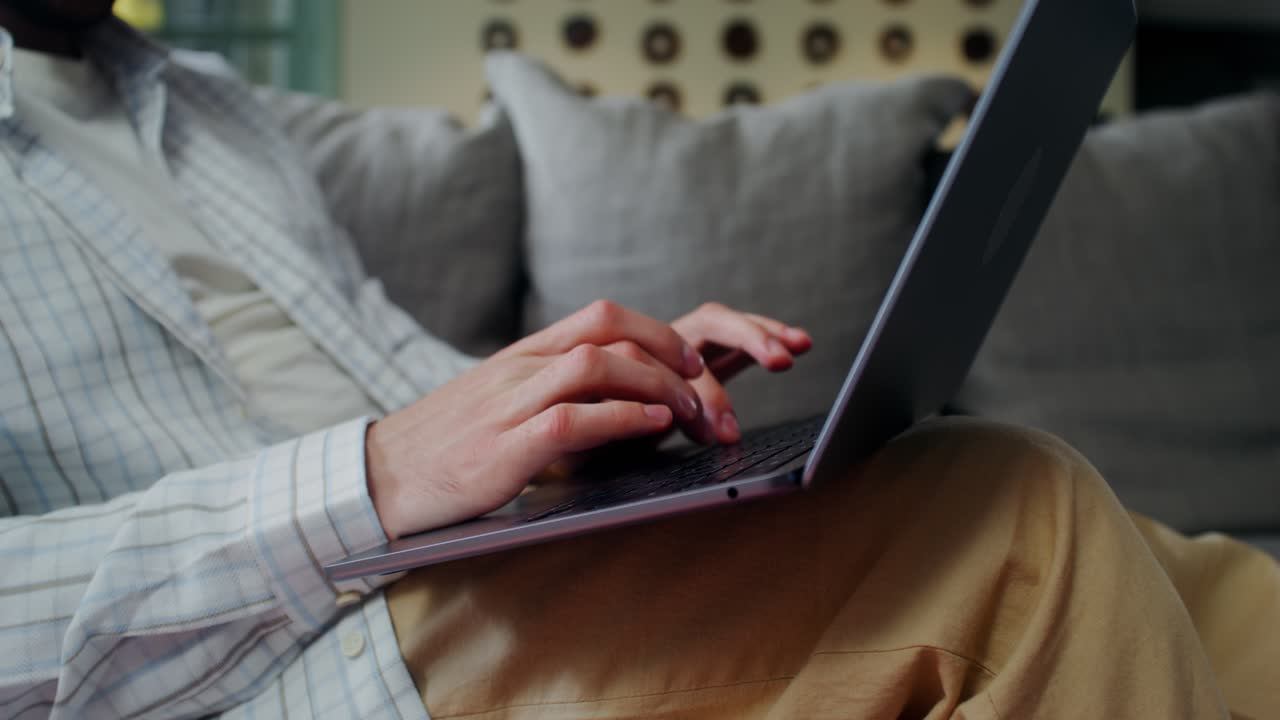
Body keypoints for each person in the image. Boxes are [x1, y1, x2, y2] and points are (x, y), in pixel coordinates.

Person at [0, 2, 1276, 718]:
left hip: (439, 566)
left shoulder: (203, 100)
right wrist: (376, 477)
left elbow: (380, 370)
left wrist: (584, 411)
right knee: (1012, 517)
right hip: (278, 664)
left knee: (1201, 580)